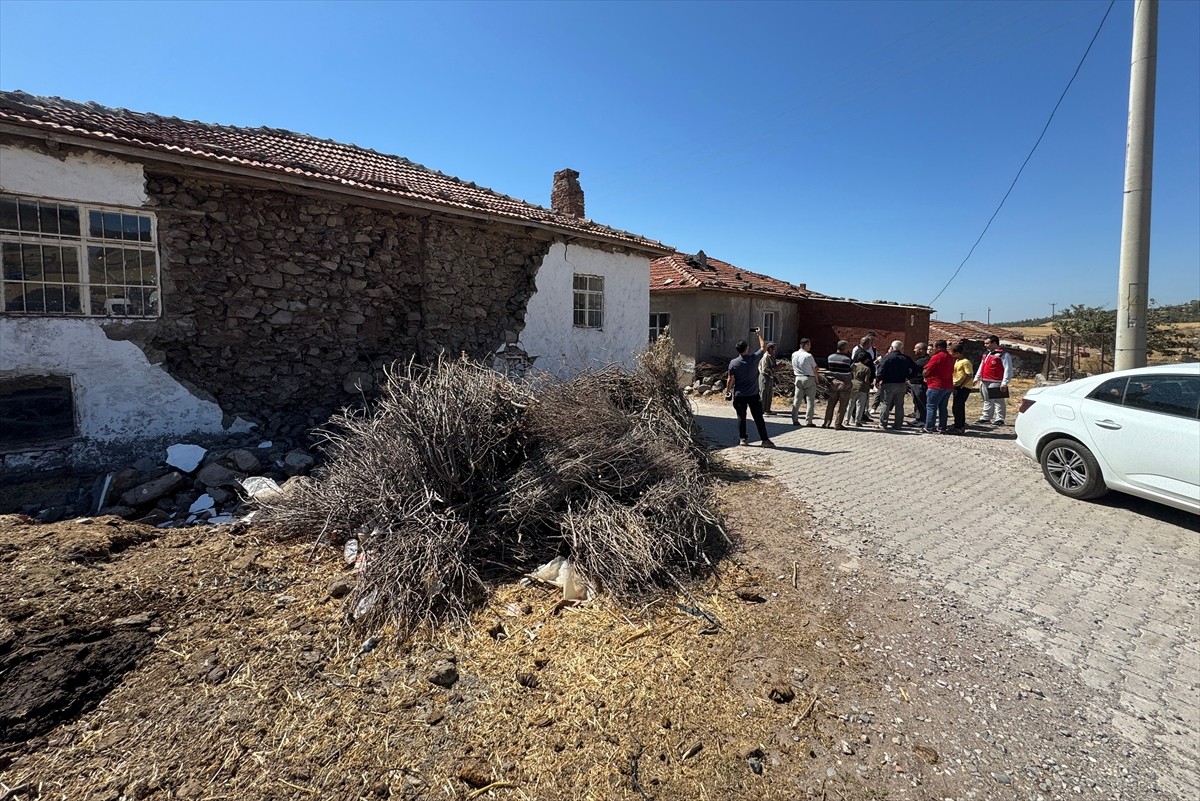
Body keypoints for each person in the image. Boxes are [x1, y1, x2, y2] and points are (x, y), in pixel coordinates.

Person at [725, 329, 776, 447]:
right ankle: (765, 440)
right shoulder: (753, 359)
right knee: (758, 418)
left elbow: (730, 379)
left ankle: (743, 439)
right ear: (746, 348)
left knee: (741, 418)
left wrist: (728, 391)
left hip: (739, 395)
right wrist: (759, 334)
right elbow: (763, 347)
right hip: (753, 394)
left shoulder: (733, 363)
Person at [874, 340, 915, 430]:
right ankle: (898, 424)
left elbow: (881, 370)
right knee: (899, 405)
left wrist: (878, 380)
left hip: (888, 384)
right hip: (901, 384)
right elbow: (915, 369)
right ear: (901, 348)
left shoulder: (887, 358)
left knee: (885, 404)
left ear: (892, 348)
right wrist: (908, 376)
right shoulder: (906, 358)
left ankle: (883, 423)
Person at [974, 334, 1014, 425]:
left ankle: (1000, 419)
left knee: (998, 401)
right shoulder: (986, 353)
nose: (985, 345)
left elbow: (1008, 368)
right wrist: (977, 377)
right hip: (985, 380)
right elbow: (982, 365)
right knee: (987, 400)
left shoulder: (1003, 354)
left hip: (996, 381)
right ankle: (986, 417)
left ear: (994, 343)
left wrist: (1005, 382)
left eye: (987, 343)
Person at [922, 340, 954, 433]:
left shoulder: (936, 357)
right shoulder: (950, 357)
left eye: (935, 347)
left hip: (936, 385)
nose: (934, 349)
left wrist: (925, 375)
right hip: (947, 385)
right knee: (943, 408)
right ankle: (942, 427)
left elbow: (927, 370)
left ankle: (929, 427)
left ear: (939, 347)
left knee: (931, 406)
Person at [822, 340, 854, 430]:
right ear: (843, 347)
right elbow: (852, 370)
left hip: (833, 382)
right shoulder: (848, 360)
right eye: (847, 347)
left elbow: (828, 369)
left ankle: (826, 423)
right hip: (845, 383)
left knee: (831, 404)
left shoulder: (830, 357)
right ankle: (838, 424)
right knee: (843, 404)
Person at [790, 337, 820, 427]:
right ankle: (809, 420)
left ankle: (794, 419)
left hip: (798, 377)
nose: (810, 347)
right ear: (805, 345)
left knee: (797, 399)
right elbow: (815, 368)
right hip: (809, 378)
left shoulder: (794, 354)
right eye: (809, 345)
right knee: (810, 400)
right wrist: (817, 379)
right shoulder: (808, 356)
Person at [845, 351, 875, 427]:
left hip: (852, 385)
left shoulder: (853, 366)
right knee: (860, 405)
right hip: (862, 387)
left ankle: (846, 420)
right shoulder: (867, 369)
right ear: (865, 359)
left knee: (850, 404)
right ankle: (857, 421)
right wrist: (869, 386)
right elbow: (866, 380)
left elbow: (850, 374)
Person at [950, 343, 974, 433]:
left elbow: (969, 375)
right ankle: (959, 425)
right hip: (956, 385)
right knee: (956, 406)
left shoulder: (965, 362)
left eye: (952, 353)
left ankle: (959, 426)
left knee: (958, 407)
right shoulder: (957, 361)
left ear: (958, 353)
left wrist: (962, 384)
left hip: (963, 387)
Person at [909, 342, 929, 425]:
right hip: (914, 383)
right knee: (917, 402)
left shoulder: (925, 360)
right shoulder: (919, 359)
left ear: (921, 349)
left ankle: (923, 420)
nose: (914, 350)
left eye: (915, 348)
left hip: (920, 384)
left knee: (921, 402)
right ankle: (918, 418)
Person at [758, 341, 778, 415]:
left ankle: (767, 409)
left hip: (770, 377)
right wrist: (775, 369)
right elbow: (765, 369)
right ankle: (762, 409)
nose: (775, 351)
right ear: (770, 349)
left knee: (769, 393)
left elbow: (773, 366)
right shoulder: (766, 357)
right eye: (774, 349)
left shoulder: (772, 356)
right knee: (764, 393)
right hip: (764, 376)